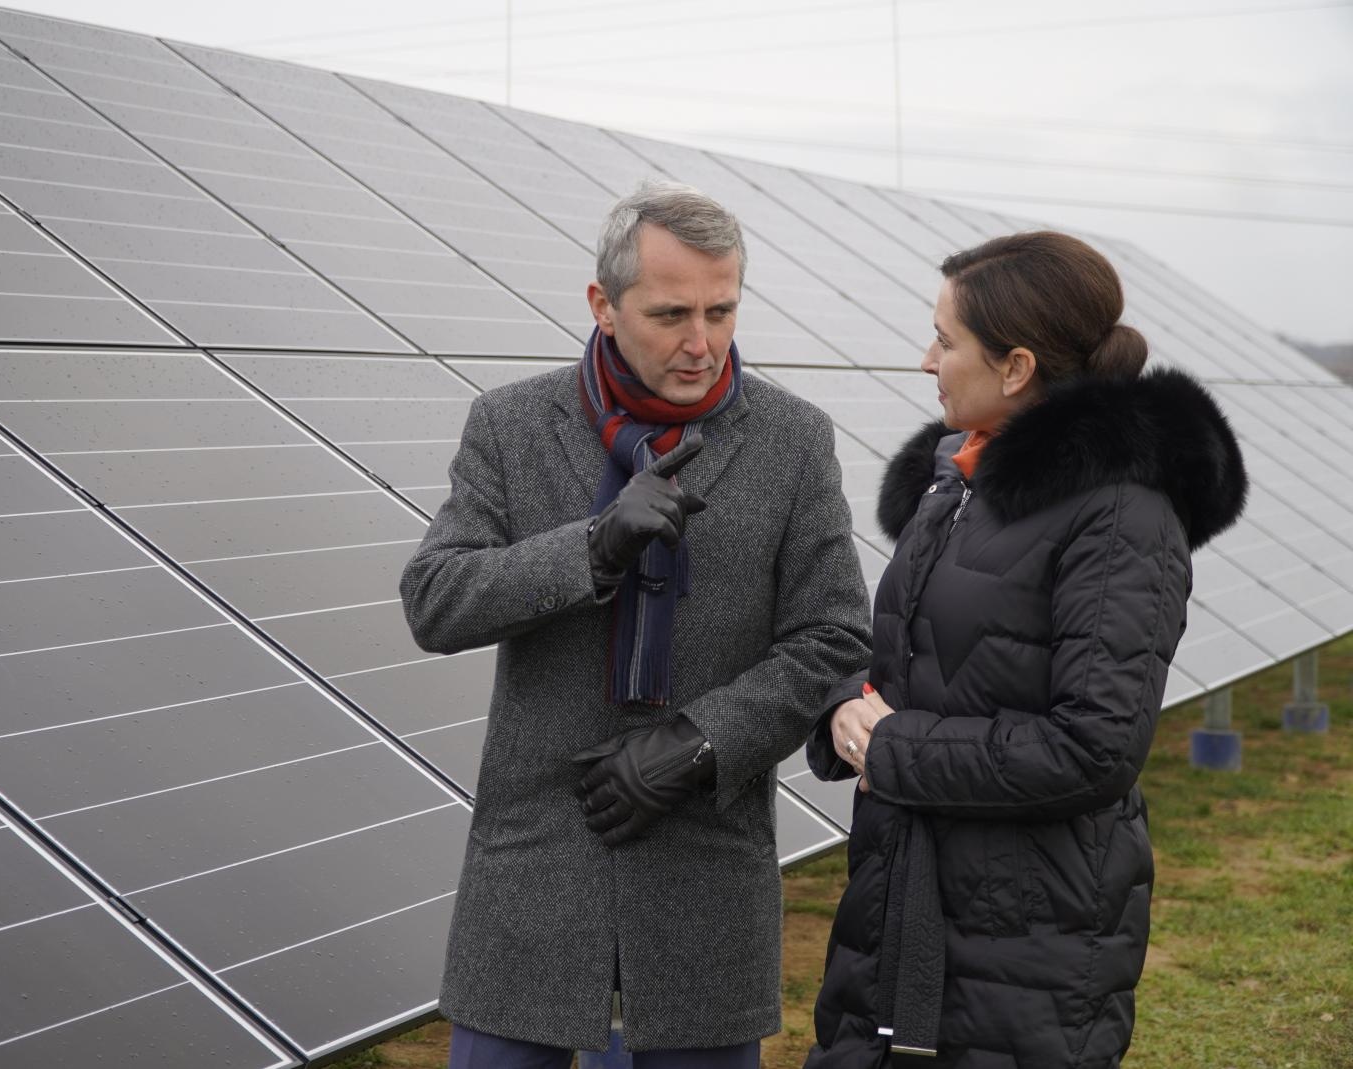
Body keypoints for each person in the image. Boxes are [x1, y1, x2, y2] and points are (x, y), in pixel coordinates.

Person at [401, 181, 873, 1067]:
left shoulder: (793, 440)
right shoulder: (511, 424)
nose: (702, 342)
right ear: (603, 305)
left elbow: (833, 637)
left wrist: (699, 743)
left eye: (721, 310)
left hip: (704, 873)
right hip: (532, 879)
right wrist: (589, 550)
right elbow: (435, 599)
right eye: (670, 314)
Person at [803, 231, 1248, 1068]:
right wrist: (843, 710)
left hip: (1023, 942)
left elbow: (1094, 747)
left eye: (945, 341)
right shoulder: (959, 481)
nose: (925, 360)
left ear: (1015, 367)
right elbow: (916, 660)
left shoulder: (1121, 515)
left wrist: (892, 747)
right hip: (903, 900)